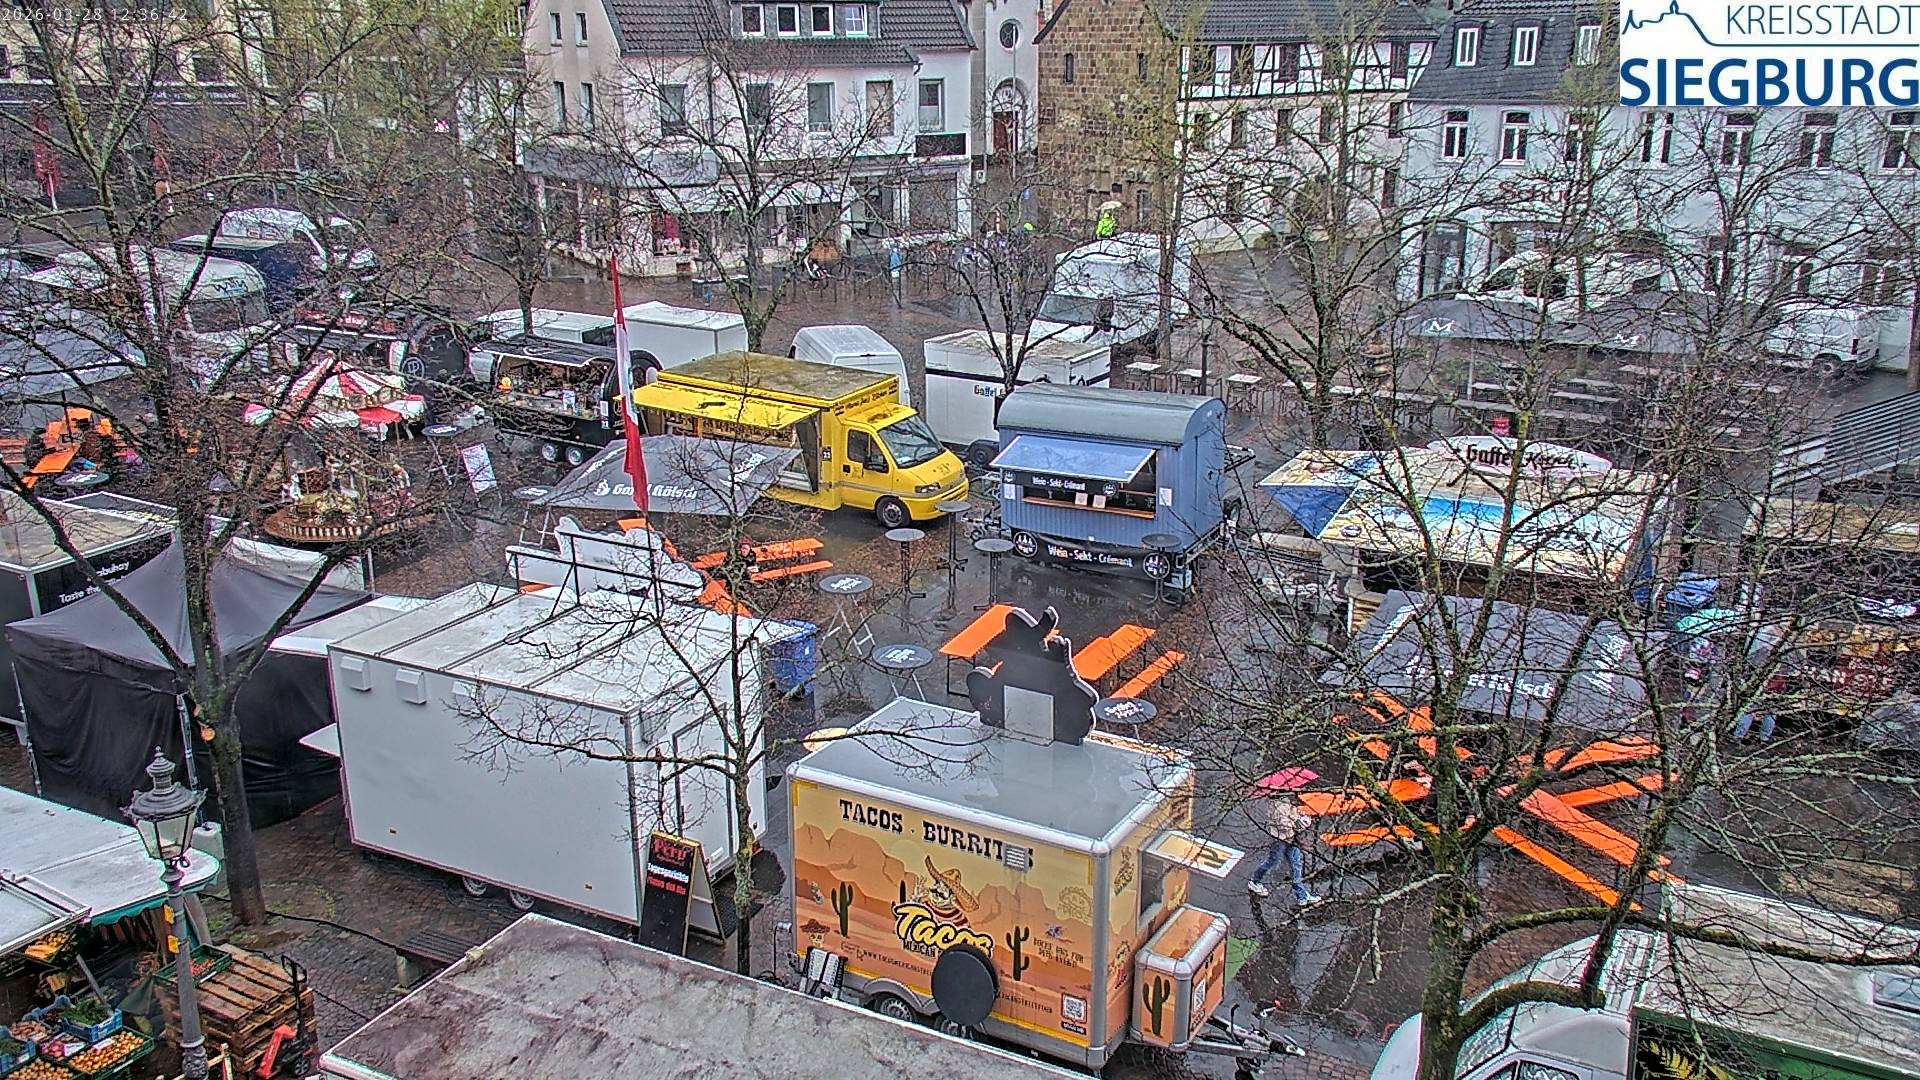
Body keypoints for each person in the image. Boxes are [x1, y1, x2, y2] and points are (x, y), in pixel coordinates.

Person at [1247, 794, 1320, 904]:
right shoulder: (1277, 807)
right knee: (1273, 861)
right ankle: (1255, 881)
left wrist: (1300, 817)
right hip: (1280, 840)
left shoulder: (1285, 801)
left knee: (1296, 865)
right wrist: (1298, 824)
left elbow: (1292, 813)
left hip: (1291, 838)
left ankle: (1302, 895)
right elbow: (1283, 825)